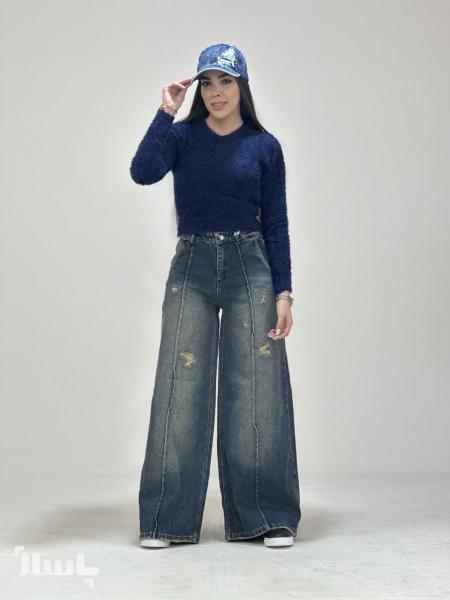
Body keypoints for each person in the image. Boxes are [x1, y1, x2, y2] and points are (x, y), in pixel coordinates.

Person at [130, 43, 301, 549]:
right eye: (207, 83)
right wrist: (166, 111)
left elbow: (276, 223)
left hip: (252, 267)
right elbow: (143, 171)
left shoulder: (263, 146)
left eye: (225, 81)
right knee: (178, 386)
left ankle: (267, 515)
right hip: (193, 267)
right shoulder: (182, 137)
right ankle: (164, 519)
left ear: (242, 86)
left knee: (257, 388)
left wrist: (284, 291)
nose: (216, 92)